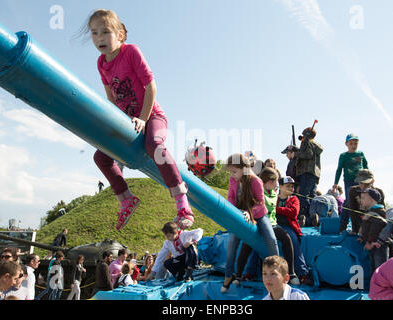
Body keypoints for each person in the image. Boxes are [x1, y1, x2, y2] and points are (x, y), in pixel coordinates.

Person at [84, 9, 194, 231]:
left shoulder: (131, 52)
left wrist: (143, 119)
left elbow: (150, 87)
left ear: (120, 34)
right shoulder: (101, 63)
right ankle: (126, 198)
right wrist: (113, 125)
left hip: (152, 116)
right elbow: (111, 98)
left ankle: (182, 203)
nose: (99, 38)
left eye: (105, 32)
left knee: (154, 145)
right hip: (128, 122)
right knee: (100, 156)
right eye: (94, 33)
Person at [221, 154, 279, 293]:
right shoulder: (233, 180)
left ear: (244, 169)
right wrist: (234, 213)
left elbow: (260, 202)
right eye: (230, 171)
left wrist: (250, 212)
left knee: (271, 239)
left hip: (258, 214)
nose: (232, 175)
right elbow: (230, 197)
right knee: (232, 243)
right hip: (240, 214)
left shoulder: (256, 181)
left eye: (234, 171)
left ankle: (277, 271)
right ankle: (228, 275)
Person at [239, 167, 298, 284]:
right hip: (257, 223)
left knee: (286, 238)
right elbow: (252, 204)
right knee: (246, 245)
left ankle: (290, 273)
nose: (277, 184)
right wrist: (247, 211)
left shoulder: (274, 193)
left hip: (272, 224)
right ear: (269, 182)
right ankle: (238, 274)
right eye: (276, 181)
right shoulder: (257, 192)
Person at [276, 176, 311, 285]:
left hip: (288, 226)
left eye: (292, 186)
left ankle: (302, 273)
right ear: (280, 187)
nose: (291, 189)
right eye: (288, 186)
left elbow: (293, 212)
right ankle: (249, 272)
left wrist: (276, 209)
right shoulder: (274, 198)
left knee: (293, 242)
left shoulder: (294, 199)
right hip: (274, 226)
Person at [332, 133, 368, 232]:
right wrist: (335, 183)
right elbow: (339, 169)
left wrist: (369, 179)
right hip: (349, 181)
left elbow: (366, 166)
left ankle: (360, 227)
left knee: (362, 202)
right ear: (346, 144)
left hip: (361, 181)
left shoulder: (360, 154)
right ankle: (342, 226)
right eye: (351, 143)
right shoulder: (344, 156)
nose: (353, 146)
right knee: (348, 202)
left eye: (355, 143)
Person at [293, 127, 323, 226]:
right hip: (315, 173)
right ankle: (313, 216)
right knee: (312, 195)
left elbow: (308, 154)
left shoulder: (307, 143)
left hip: (306, 171)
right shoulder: (315, 145)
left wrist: (296, 153)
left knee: (303, 194)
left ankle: (304, 216)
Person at [341, 169, 385, 234]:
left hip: (374, 223)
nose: (363, 186)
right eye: (361, 183)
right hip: (359, 222)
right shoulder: (353, 191)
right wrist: (355, 230)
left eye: (366, 184)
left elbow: (382, 213)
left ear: (372, 181)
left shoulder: (379, 192)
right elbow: (352, 211)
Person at [357, 188, 388, 275]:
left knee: (380, 268)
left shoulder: (378, 212)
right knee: (373, 267)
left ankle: (382, 287)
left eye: (363, 198)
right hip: (372, 245)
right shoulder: (370, 212)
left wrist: (370, 242)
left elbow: (376, 228)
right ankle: (375, 286)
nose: (361, 200)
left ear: (371, 200)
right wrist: (362, 238)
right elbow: (367, 228)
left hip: (378, 246)